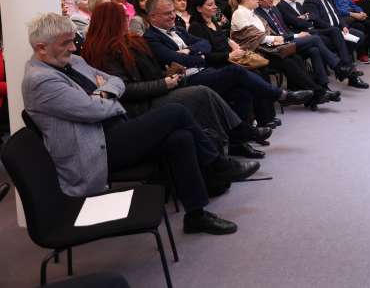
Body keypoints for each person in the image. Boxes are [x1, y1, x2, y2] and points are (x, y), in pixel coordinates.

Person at [22, 12, 250, 235]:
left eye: (72, 41)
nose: (73, 48)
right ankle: (219, 165)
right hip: (96, 149)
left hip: (115, 129)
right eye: (65, 43)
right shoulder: (40, 81)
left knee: (181, 138)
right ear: (41, 48)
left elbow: (116, 82)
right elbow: (93, 110)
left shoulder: (75, 61)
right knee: (176, 112)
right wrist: (105, 96)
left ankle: (196, 215)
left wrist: (102, 93)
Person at [83, 2, 270, 160]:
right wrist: (164, 82)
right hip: (142, 103)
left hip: (163, 86)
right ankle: (239, 135)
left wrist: (167, 73)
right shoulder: (107, 50)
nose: (128, 20)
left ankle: (237, 140)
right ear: (111, 21)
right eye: (123, 18)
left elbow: (201, 47)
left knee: (237, 89)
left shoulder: (130, 41)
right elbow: (125, 89)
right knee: (207, 89)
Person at [144, 0, 313, 114]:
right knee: (238, 71)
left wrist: (189, 50)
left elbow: (204, 45)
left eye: (173, 12)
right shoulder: (151, 37)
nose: (173, 16)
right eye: (167, 13)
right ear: (152, 17)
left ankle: (244, 138)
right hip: (188, 78)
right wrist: (200, 57)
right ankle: (281, 96)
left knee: (242, 91)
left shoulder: (180, 30)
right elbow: (176, 59)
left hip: (206, 68)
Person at [186, 0, 304, 126]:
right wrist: (229, 55)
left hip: (231, 59)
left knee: (262, 70)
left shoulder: (212, 21)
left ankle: (266, 116)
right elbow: (205, 56)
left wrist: (230, 43)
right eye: (210, 5)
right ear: (199, 8)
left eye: (214, 3)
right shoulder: (196, 27)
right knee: (254, 75)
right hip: (218, 65)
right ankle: (277, 101)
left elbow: (222, 38)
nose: (214, 7)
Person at [226, 0, 336, 106]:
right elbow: (256, 37)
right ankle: (318, 92)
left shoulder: (251, 13)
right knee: (289, 61)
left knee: (295, 57)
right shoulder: (240, 14)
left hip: (264, 48)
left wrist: (278, 39)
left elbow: (263, 36)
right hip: (253, 54)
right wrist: (278, 39)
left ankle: (311, 95)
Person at [254, 0, 351, 91]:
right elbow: (273, 35)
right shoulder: (258, 14)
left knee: (314, 50)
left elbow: (286, 28)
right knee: (315, 39)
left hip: (288, 38)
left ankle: (323, 85)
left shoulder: (274, 8)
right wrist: (296, 35)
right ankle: (338, 67)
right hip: (278, 43)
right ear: (260, 1)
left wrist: (297, 33)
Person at [278, 0, 368, 89]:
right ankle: (344, 69)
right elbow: (298, 22)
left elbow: (315, 16)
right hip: (306, 33)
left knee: (346, 33)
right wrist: (307, 19)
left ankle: (344, 67)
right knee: (333, 38)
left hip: (316, 30)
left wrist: (343, 26)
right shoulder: (283, 6)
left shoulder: (298, 4)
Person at [302, 0, 370, 88]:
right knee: (338, 35)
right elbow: (317, 21)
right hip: (323, 32)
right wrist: (334, 28)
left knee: (359, 36)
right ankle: (350, 73)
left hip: (337, 29)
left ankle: (343, 68)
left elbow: (337, 14)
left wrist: (344, 26)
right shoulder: (311, 0)